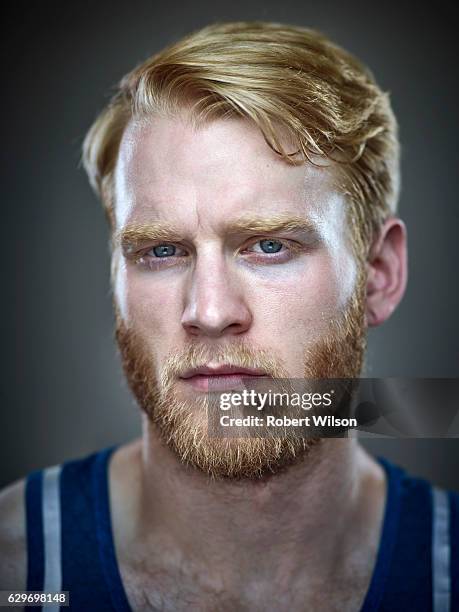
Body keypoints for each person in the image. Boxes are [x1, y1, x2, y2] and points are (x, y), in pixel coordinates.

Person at [1, 21, 457, 612]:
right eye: (162, 251)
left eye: (269, 246)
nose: (210, 312)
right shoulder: (15, 573)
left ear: (379, 273)